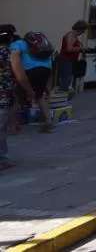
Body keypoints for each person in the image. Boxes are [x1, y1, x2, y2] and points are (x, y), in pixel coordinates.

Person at [9, 31, 55, 133]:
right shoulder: (40, 45)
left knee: (16, 99)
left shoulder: (17, 44)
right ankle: (48, 122)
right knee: (39, 96)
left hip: (29, 70)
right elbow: (49, 64)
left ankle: (13, 128)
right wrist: (47, 86)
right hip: (45, 70)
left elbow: (13, 60)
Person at [57, 20, 87, 93]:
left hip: (70, 60)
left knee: (68, 78)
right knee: (66, 78)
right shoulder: (71, 35)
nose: (83, 33)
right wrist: (81, 48)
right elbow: (69, 48)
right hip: (65, 60)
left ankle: (63, 95)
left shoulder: (75, 36)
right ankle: (61, 96)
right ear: (79, 29)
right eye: (83, 31)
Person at [0, 25, 15, 169]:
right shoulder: (8, 53)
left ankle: (3, 158)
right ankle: (2, 159)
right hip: (3, 96)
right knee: (1, 128)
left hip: (4, 95)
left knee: (2, 128)